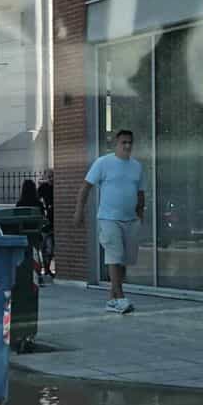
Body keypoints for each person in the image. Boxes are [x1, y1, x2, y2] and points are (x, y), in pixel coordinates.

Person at [73, 130, 146, 314]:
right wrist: (79, 211)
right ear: (116, 144)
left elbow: (140, 192)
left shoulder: (136, 166)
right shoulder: (103, 163)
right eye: (123, 142)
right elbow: (85, 187)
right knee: (115, 255)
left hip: (130, 219)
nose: (127, 146)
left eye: (130, 142)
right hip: (108, 218)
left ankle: (112, 299)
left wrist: (140, 214)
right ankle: (120, 297)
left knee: (124, 260)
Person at [37, 170, 55, 282]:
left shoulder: (57, 186)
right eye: (49, 176)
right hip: (47, 221)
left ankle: (47, 268)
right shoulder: (44, 187)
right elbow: (37, 198)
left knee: (51, 247)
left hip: (55, 220)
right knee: (47, 247)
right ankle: (46, 268)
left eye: (52, 176)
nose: (51, 178)